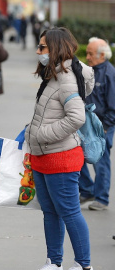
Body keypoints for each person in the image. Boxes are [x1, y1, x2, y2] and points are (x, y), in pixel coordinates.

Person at [25, 27, 94, 270]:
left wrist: (42, 134)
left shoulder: (66, 78)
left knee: (69, 213)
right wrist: (30, 132)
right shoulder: (54, 74)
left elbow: (76, 118)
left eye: (42, 47)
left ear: (56, 48)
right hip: (43, 156)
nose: (38, 51)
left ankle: (83, 265)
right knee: (50, 213)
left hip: (60, 158)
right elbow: (48, 114)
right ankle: (54, 262)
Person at [79, 37, 115, 211]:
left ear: (102, 55)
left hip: (102, 125)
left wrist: (106, 128)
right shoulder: (88, 70)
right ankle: (87, 189)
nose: (87, 57)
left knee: (100, 161)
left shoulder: (109, 73)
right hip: (85, 122)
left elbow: (113, 105)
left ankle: (101, 198)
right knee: (77, 156)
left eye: (90, 54)